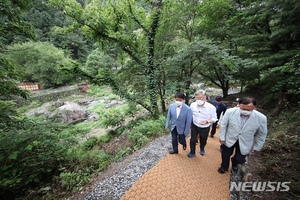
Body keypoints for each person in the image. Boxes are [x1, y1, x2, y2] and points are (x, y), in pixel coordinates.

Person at [218, 97, 268, 174]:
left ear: (254, 107)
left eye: (248, 110)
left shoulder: (261, 118)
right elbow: (224, 125)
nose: (245, 111)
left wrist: (257, 146)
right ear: (239, 105)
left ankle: (235, 164)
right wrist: (222, 137)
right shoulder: (230, 112)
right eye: (243, 109)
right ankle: (224, 167)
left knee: (240, 158)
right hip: (229, 138)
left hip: (246, 141)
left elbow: (262, 134)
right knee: (225, 154)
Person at [188, 90, 217, 158]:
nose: (199, 99)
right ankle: (192, 152)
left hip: (205, 127)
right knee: (192, 140)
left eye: (201, 98)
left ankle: (202, 148)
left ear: (205, 97)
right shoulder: (192, 105)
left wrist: (207, 121)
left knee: (203, 140)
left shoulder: (211, 107)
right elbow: (190, 115)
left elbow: (214, 118)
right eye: (197, 98)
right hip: (194, 125)